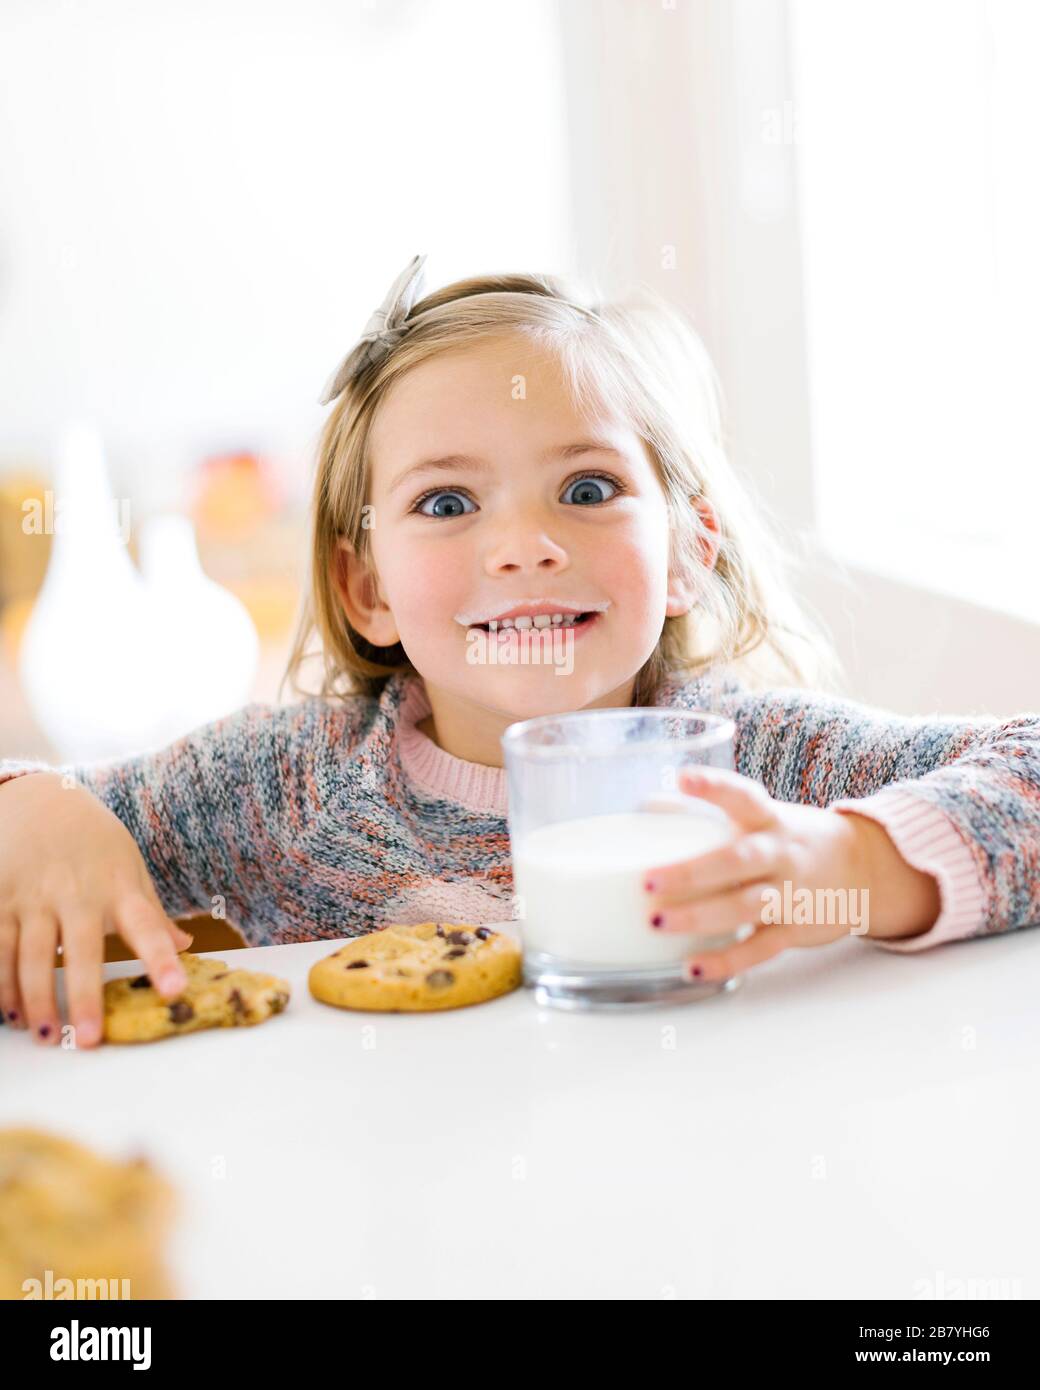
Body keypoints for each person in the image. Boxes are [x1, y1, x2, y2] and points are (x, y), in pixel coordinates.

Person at [1, 254, 1037, 1049]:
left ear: (686, 552)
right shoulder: (285, 786)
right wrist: (31, 806)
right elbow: (46, 831)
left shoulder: (757, 768)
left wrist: (853, 863)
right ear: (367, 588)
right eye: (447, 503)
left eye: (586, 489)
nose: (526, 545)